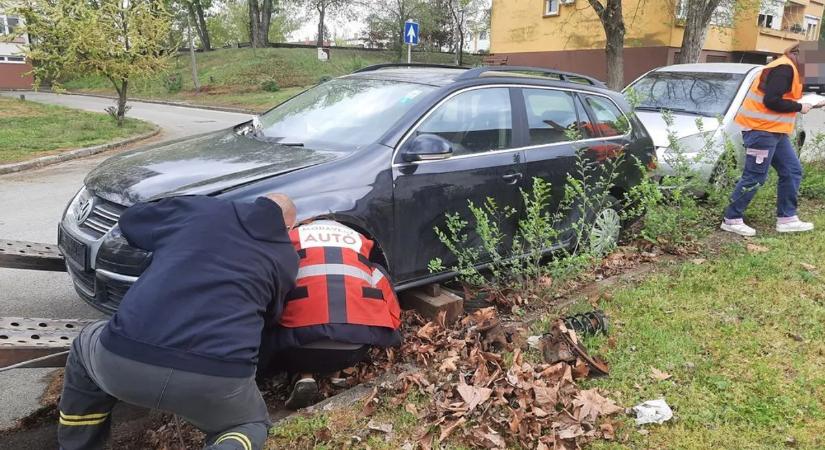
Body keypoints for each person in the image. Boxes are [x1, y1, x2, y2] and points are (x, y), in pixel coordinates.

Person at [58, 194, 299, 450]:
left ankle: (77, 446)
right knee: (249, 425)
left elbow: (132, 221)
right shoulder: (286, 257)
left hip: (122, 361)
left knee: (84, 344)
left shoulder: (203, 209)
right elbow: (271, 318)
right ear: (288, 228)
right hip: (214, 379)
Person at [257, 220, 402, 409]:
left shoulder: (289, 240)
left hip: (300, 348)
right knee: (348, 328)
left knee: (296, 323)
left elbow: (268, 299)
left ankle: (304, 376)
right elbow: (390, 302)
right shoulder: (361, 241)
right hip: (354, 347)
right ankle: (340, 373)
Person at [722, 44, 819, 236]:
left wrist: (809, 102)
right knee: (755, 176)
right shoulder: (783, 69)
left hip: (774, 132)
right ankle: (731, 219)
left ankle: (787, 219)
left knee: (792, 170)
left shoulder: (791, 68)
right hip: (761, 132)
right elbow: (771, 101)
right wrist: (800, 107)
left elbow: (782, 97)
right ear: (799, 54)